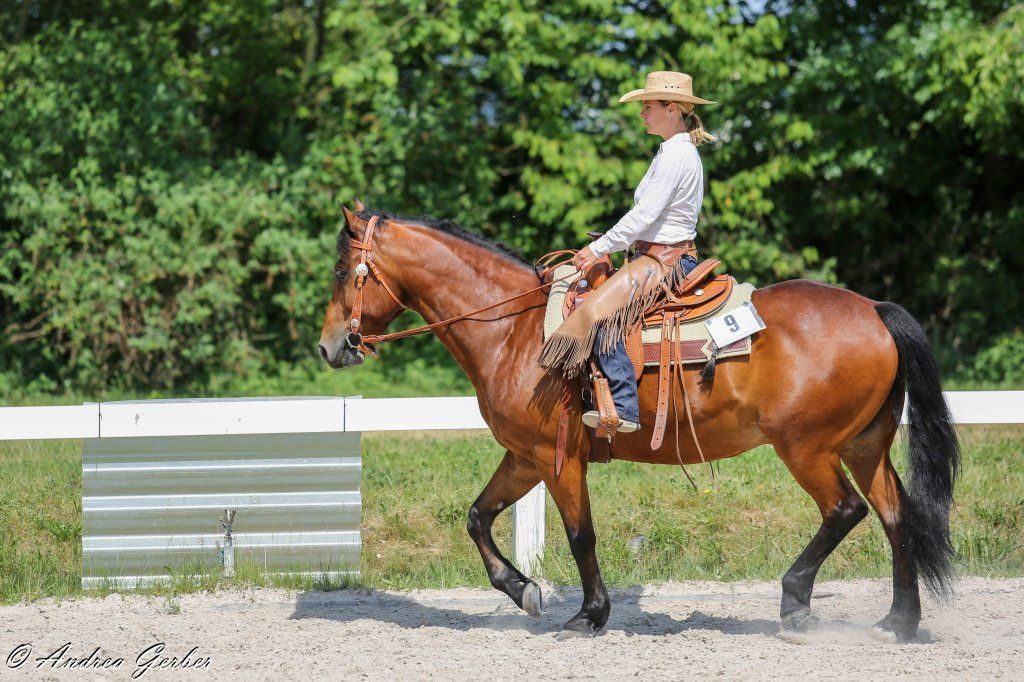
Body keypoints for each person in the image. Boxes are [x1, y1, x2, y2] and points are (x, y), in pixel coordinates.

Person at [538, 71, 716, 434]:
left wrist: (598, 247)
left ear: (673, 109)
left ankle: (623, 407)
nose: (642, 114)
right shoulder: (674, 151)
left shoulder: (675, 154)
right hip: (655, 256)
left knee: (598, 314)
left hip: (664, 261)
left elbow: (645, 215)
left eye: (648, 107)